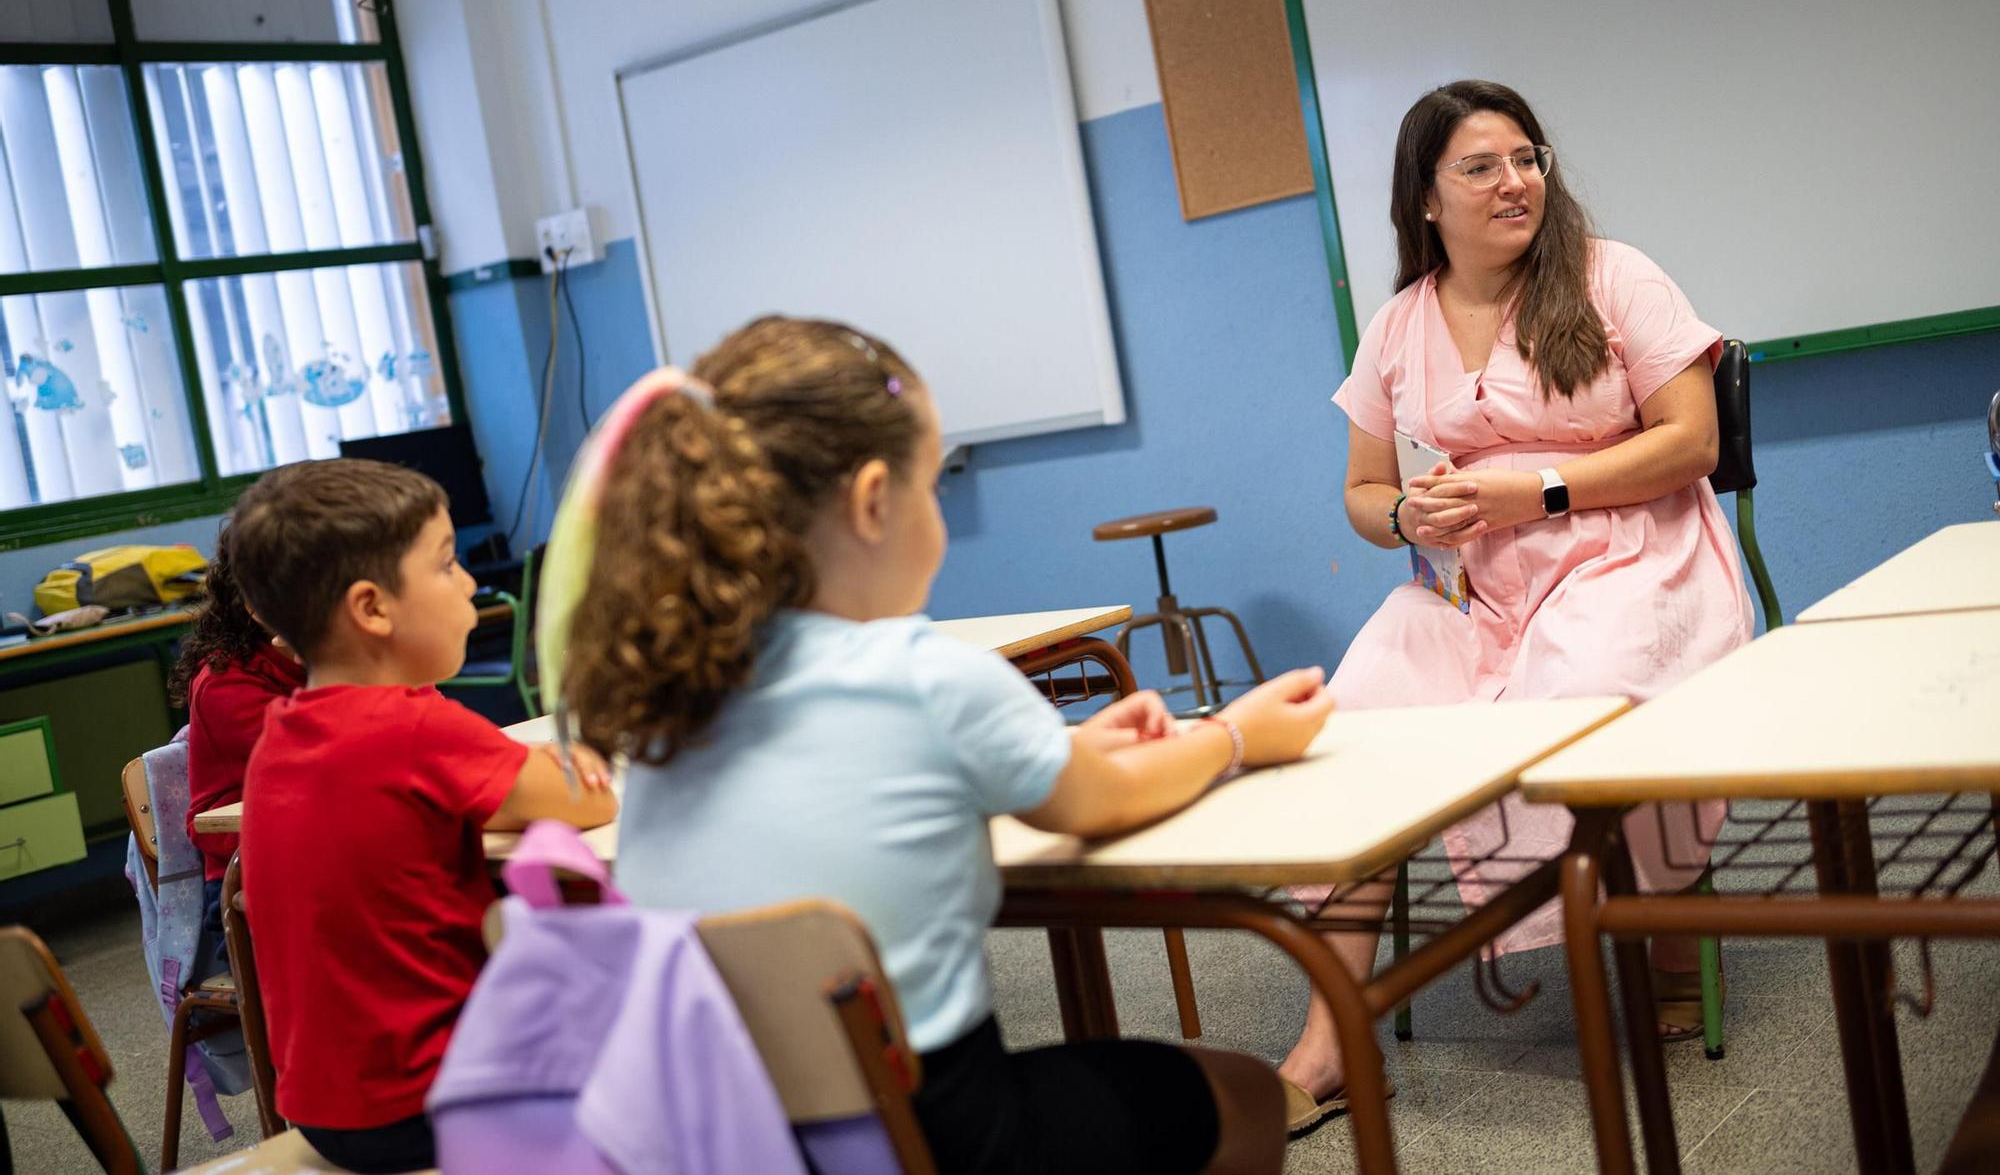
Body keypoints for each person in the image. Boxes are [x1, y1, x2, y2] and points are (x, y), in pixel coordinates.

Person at [550, 317, 1350, 1175]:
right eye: (930, 486)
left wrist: (1057, 747)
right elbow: (1103, 801)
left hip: (718, 1141)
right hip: (935, 1141)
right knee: (1243, 1093)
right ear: (872, 501)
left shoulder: (671, 706)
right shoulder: (925, 672)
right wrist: (1236, 734)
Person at [1277, 80, 1752, 1130]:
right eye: (1480, 166)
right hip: (1470, 587)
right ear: (1425, 198)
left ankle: (1658, 935)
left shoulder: (1613, 276)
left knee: (1580, 700)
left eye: (1526, 158)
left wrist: (1532, 491)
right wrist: (1405, 514)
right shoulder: (1396, 324)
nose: (1514, 182)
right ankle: (1329, 1035)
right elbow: (1362, 493)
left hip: (1635, 555)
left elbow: (1692, 441)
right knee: (1350, 724)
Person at [230, 458, 618, 1174]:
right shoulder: (414, 729)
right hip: (436, 1100)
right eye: (446, 564)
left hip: (325, 1109)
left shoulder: (283, 735)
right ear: (373, 609)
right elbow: (592, 796)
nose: (468, 583)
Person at [169, 522, 304, 979]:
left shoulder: (334, 661)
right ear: (256, 605)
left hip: (325, 849)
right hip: (246, 880)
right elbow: (331, 760)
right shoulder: (225, 682)